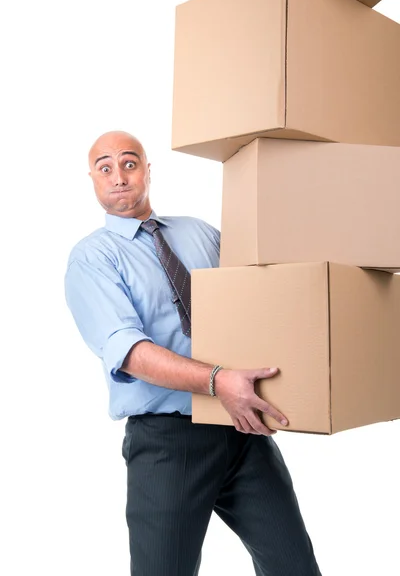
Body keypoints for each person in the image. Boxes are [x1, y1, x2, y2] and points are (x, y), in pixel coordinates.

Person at [65, 130, 322, 576]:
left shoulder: (201, 233)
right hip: (168, 441)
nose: (119, 176)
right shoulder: (93, 258)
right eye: (105, 168)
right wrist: (217, 380)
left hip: (242, 428)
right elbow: (129, 352)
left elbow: (256, 299)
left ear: (147, 170)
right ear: (92, 179)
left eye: (129, 163)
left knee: (294, 566)